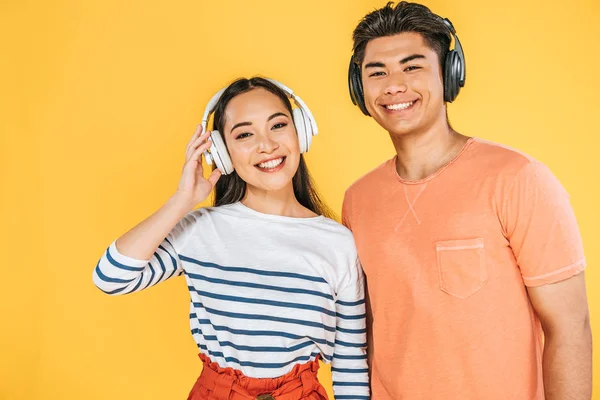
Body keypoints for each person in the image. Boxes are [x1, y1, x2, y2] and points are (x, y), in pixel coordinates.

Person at [342, 2, 592, 399]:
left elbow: (569, 325)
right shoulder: (358, 200)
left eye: (412, 67)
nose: (393, 85)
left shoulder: (518, 179)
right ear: (360, 89)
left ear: (449, 75)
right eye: (377, 72)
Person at [93, 77, 370, 400]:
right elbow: (111, 277)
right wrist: (182, 199)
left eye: (278, 125)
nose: (266, 145)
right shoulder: (200, 229)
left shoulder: (339, 244)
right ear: (222, 153)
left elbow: (350, 363)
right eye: (245, 134)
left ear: (301, 133)